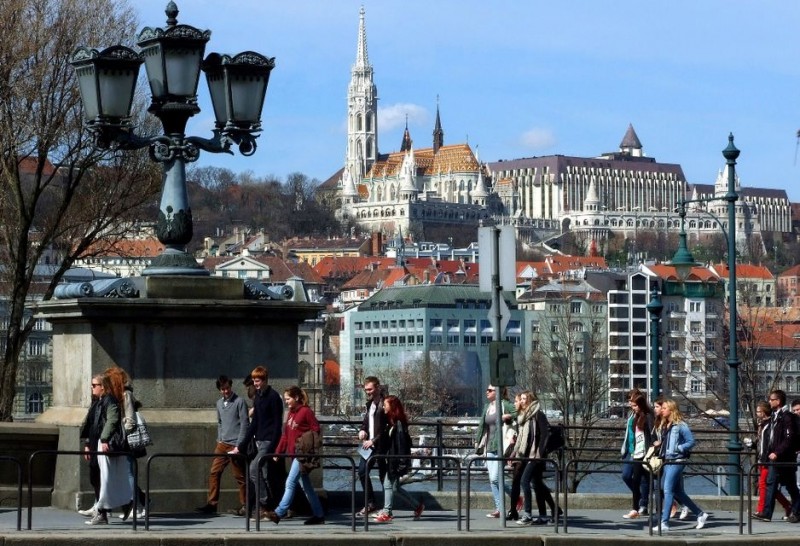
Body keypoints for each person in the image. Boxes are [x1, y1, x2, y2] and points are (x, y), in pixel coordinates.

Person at [265, 386, 325, 525]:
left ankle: (279, 512)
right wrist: (278, 452)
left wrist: (307, 443)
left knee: (290, 482)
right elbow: (285, 435)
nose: (286, 402)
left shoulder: (306, 412)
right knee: (306, 487)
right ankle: (319, 514)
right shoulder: (291, 413)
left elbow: (315, 429)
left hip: (301, 455)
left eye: (288, 399)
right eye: (285, 399)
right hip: (294, 455)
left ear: (296, 398)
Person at [79, 373, 133, 525]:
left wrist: (104, 439)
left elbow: (113, 420)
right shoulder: (97, 401)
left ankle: (103, 513)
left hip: (103, 444)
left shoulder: (110, 400)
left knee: (103, 478)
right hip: (96, 444)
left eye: (94, 385)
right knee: (96, 478)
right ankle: (124, 504)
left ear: (103, 387)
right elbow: (90, 423)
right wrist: (88, 444)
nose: (91, 388)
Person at [652, 399, 709, 533]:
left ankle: (664, 522)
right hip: (667, 460)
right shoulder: (667, 425)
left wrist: (679, 448)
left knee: (667, 490)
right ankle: (700, 514)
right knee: (675, 491)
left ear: (671, 410)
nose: (662, 410)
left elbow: (691, 441)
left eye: (665, 408)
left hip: (677, 460)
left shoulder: (680, 425)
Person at [234, 366, 283, 519]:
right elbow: (254, 423)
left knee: (254, 469)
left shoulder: (273, 397)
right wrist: (241, 445)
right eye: (254, 380)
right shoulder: (259, 397)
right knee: (264, 474)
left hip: (269, 441)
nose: (255, 383)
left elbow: (277, 424)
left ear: (265, 380)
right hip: (259, 440)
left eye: (258, 380)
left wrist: (275, 446)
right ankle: (266, 507)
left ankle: (264, 503)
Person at [196, 375, 249, 516]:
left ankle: (246, 504)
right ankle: (212, 504)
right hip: (222, 444)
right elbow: (219, 422)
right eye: (222, 389)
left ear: (231, 386)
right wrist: (219, 439)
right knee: (214, 472)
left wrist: (239, 444)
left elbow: (245, 424)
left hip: (235, 445)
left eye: (227, 388)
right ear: (219, 390)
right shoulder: (219, 403)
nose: (225, 391)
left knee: (240, 476)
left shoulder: (240, 402)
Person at [104, 366, 148, 521]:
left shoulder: (126, 394)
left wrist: (122, 435)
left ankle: (137, 506)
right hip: (120, 440)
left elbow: (130, 420)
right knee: (124, 474)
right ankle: (139, 502)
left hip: (125, 441)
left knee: (129, 473)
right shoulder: (115, 395)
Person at [373, 395, 424, 522]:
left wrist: (401, 462)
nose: (384, 406)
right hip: (392, 459)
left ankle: (387, 513)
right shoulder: (391, 422)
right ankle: (417, 506)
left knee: (388, 484)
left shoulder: (398, 424)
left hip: (395, 460)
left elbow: (401, 445)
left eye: (386, 404)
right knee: (394, 487)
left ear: (392, 406)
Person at [514, 391, 559, 526]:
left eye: (524, 399)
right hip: (528, 455)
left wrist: (539, 452)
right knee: (537, 485)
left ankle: (527, 514)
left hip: (536, 456)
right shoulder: (525, 417)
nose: (521, 401)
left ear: (530, 400)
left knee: (524, 481)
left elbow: (545, 434)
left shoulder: (538, 415)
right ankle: (544, 516)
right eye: (520, 399)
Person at [755, 389, 800, 522]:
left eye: (771, 399)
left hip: (784, 458)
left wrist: (777, 452)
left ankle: (796, 511)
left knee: (790, 486)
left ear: (778, 401)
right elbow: (772, 437)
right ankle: (767, 513)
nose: (769, 401)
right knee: (771, 483)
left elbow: (789, 437)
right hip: (775, 457)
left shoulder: (787, 416)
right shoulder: (776, 416)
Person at [474, 384, 516, 518]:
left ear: (498, 392)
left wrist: (507, 416)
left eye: (490, 390)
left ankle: (506, 504)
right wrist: (477, 441)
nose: (487, 392)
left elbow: (518, 414)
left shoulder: (505, 404)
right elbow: (482, 424)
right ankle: (501, 508)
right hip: (489, 446)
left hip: (501, 445)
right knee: (493, 480)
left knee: (495, 478)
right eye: (487, 390)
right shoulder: (487, 407)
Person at [751, 400, 792, 519]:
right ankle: (786, 505)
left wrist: (769, 453)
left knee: (764, 484)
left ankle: (762, 510)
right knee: (768, 485)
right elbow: (762, 442)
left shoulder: (769, 424)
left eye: (759, 411)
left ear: (764, 412)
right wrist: (753, 445)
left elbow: (770, 442)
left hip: (768, 458)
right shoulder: (762, 424)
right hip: (763, 457)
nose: (757, 414)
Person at [356, 376, 387, 516]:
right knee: (362, 471)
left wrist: (373, 440)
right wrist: (363, 430)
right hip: (370, 446)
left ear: (378, 387)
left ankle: (387, 508)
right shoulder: (370, 404)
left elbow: (387, 428)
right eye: (366, 390)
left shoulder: (385, 403)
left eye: (370, 389)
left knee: (384, 476)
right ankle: (371, 503)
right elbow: (367, 421)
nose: (368, 392)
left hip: (381, 445)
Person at [621, 393, 653, 519]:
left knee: (647, 482)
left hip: (645, 454)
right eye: (631, 403)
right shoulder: (633, 417)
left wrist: (651, 449)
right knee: (634, 480)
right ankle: (637, 507)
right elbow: (631, 435)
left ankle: (643, 506)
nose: (632, 406)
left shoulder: (648, 417)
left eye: (634, 404)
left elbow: (651, 435)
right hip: (635, 453)